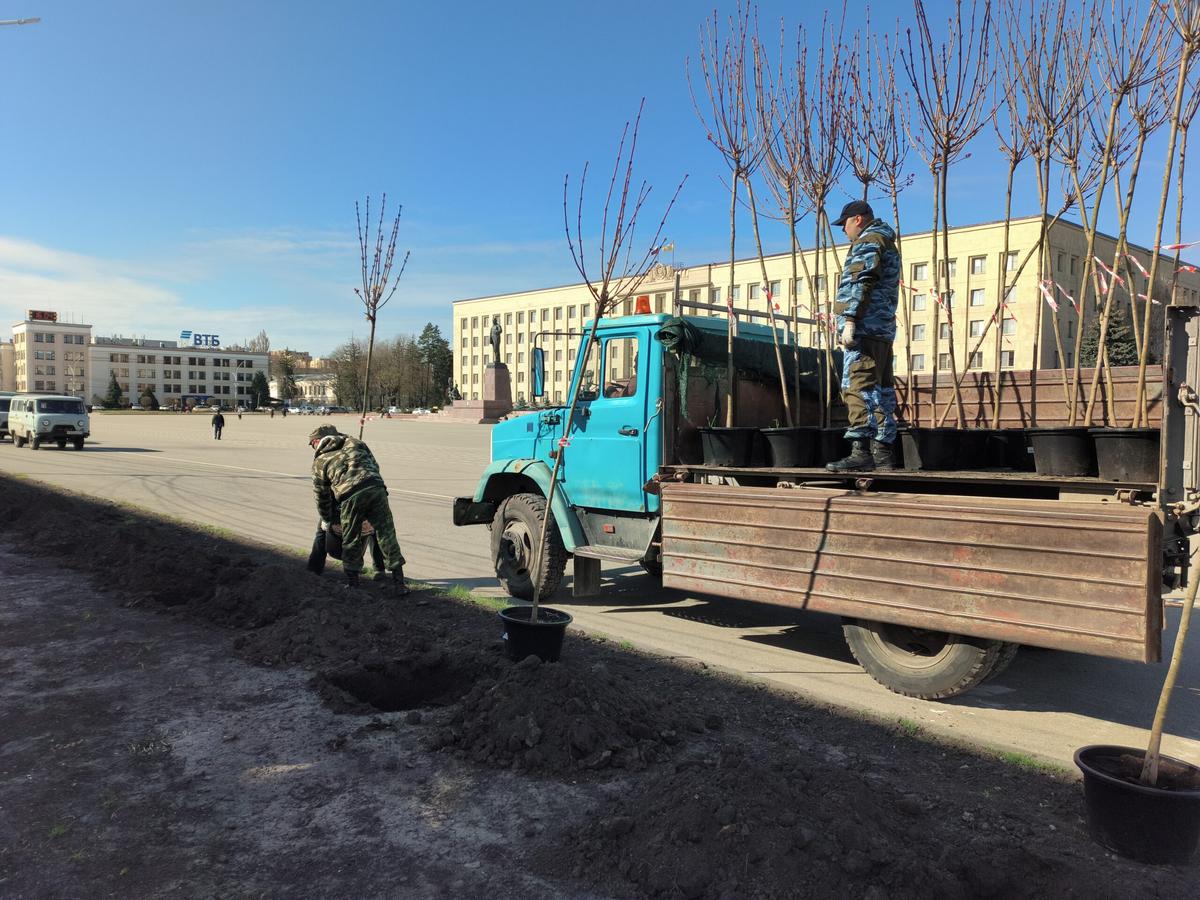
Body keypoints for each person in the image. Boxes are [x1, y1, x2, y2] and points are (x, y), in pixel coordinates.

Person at [825, 199, 900, 472]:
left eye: (844, 224)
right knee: (880, 391)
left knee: (857, 387)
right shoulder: (885, 241)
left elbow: (861, 279)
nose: (843, 230)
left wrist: (850, 320)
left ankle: (862, 452)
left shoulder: (869, 241)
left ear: (857, 219)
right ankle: (883, 455)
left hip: (865, 328)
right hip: (880, 330)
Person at [308, 423, 409, 593]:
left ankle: (353, 583)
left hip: (350, 496)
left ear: (317, 441)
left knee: (351, 539)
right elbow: (374, 465)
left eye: (312, 444)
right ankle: (399, 583)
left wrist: (327, 519)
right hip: (376, 488)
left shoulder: (320, 461)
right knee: (387, 535)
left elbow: (321, 496)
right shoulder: (356, 443)